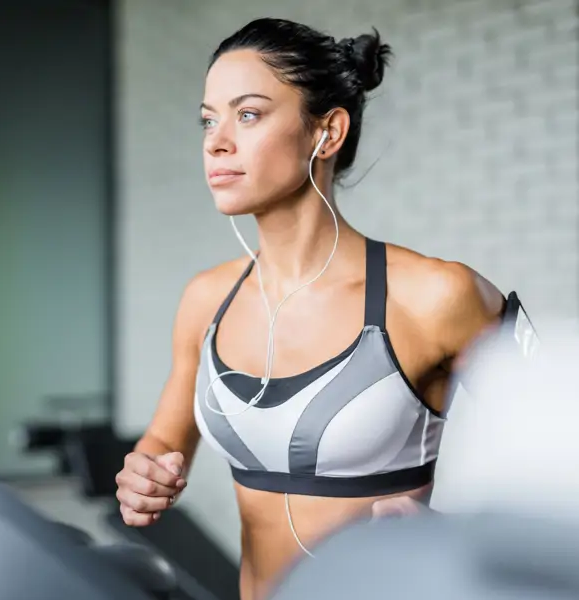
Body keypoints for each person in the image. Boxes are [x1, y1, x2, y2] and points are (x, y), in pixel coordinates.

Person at [114, 17, 505, 600]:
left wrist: (454, 534)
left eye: (247, 114)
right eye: (208, 119)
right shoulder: (206, 299)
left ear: (327, 133)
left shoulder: (435, 296)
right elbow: (161, 446)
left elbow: (556, 461)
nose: (215, 141)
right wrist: (142, 475)